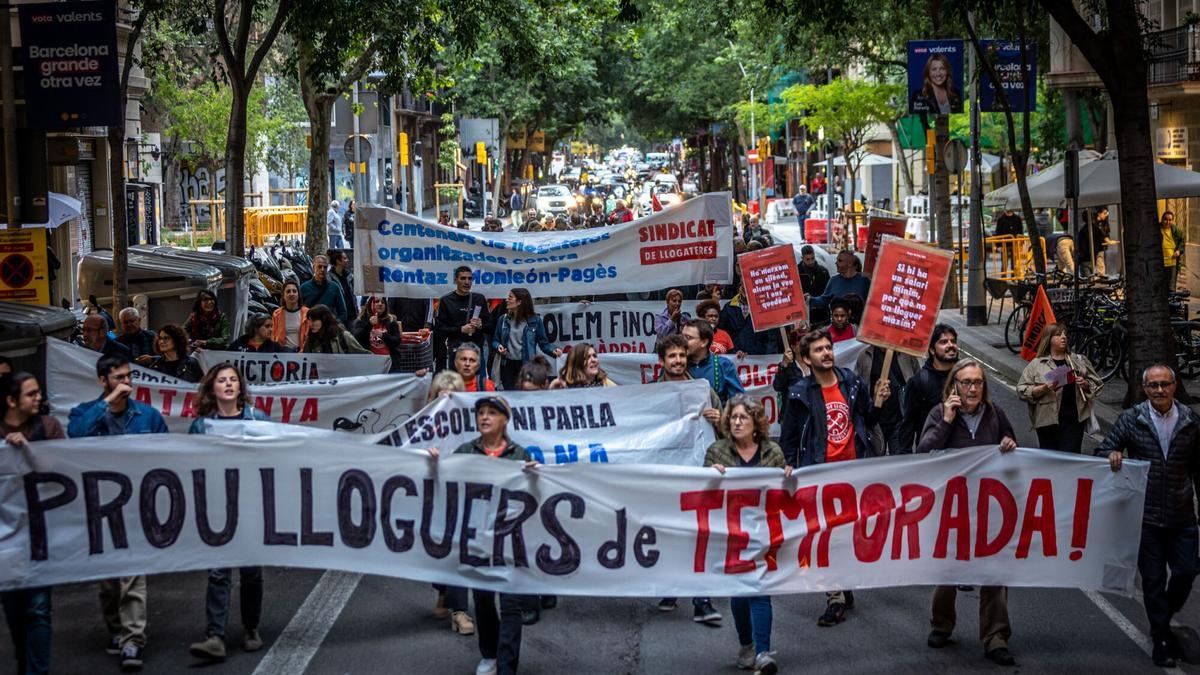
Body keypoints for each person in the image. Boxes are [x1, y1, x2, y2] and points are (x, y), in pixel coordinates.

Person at [779, 329, 890, 627]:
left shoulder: (851, 382)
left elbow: (868, 419)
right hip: (820, 474)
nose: (826, 353)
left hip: (854, 473)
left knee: (848, 533)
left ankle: (842, 582)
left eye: (828, 348)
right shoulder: (800, 392)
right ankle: (834, 596)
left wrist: (878, 402)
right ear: (806, 358)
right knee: (824, 536)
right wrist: (789, 464)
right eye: (819, 350)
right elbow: (788, 436)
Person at [68, 354, 168, 671]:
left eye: (128, 377)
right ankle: (115, 629)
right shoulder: (85, 414)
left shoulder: (148, 417)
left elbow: (170, 455)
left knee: (132, 578)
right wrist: (106, 404)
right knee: (108, 582)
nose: (126, 383)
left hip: (138, 507)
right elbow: (76, 435)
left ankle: (132, 641)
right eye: (118, 378)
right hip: (101, 508)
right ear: (103, 381)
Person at [426, 396, 538, 675]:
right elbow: (446, 482)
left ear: (504, 419)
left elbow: (534, 497)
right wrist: (434, 463)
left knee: (511, 605)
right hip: (477, 541)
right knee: (484, 601)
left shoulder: (519, 454)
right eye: (481, 413)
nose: (485, 417)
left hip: (510, 542)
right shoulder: (466, 451)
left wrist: (535, 476)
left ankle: (506, 668)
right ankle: (489, 653)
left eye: (492, 413)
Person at [1098, 363, 1200, 667]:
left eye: (1164, 384)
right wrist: (1111, 455)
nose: (1159, 390)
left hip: (1183, 516)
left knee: (1185, 571)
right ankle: (1162, 641)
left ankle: (1162, 620)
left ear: (1174, 385)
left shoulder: (1191, 421)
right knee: (1153, 580)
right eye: (1153, 385)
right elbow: (1103, 450)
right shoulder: (1133, 419)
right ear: (1145, 389)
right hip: (1146, 516)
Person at [917, 359, 1017, 667]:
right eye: (965, 382)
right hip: (952, 507)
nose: (972, 388)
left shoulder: (995, 414)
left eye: (977, 382)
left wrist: (1008, 442)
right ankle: (941, 625)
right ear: (954, 387)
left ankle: (995, 637)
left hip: (989, 508)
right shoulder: (938, 413)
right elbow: (924, 453)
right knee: (948, 572)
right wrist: (947, 420)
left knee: (995, 574)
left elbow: (1012, 444)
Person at [186, 364, 270, 663]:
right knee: (219, 571)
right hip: (217, 506)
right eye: (222, 380)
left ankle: (251, 628)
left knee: (250, 572)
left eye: (233, 379)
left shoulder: (257, 419)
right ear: (212, 388)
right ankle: (215, 636)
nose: (229, 384)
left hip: (250, 505)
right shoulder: (201, 426)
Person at [705, 395, 791, 674]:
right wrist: (709, 476)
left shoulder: (772, 453)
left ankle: (763, 651)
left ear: (756, 423)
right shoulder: (717, 452)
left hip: (762, 532)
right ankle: (746, 644)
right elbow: (700, 494)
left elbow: (784, 495)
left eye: (743, 417)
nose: (737, 421)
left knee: (760, 590)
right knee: (739, 593)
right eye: (733, 417)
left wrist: (788, 476)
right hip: (729, 533)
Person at [2, 372, 64, 675]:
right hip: (5, 539)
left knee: (39, 609)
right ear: (11, 401)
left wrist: (28, 449)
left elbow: (63, 471)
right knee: (14, 611)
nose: (38, 398)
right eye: (31, 394)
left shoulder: (49, 427)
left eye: (38, 392)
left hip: (41, 534)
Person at [1016, 323, 1103, 453]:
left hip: (1073, 421)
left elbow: (1097, 384)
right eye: (1058, 335)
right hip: (1047, 422)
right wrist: (1043, 388)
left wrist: (1084, 384)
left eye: (1065, 334)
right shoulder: (1037, 364)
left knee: (1070, 458)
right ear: (1049, 339)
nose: (1063, 337)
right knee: (1050, 461)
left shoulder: (1077, 360)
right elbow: (1021, 390)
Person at [898, 324, 958, 454]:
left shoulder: (966, 377)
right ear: (931, 350)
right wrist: (905, 458)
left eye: (953, 341)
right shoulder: (919, 382)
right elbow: (908, 424)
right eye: (943, 342)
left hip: (961, 454)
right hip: (930, 454)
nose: (950, 345)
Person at [854, 345, 920, 456]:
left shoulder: (906, 354)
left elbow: (918, 379)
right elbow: (857, 388)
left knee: (899, 462)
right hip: (875, 423)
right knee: (876, 463)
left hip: (899, 420)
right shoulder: (865, 356)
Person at [492, 288, 561, 390]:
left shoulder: (535, 321)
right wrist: (498, 347)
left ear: (520, 302)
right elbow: (495, 341)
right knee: (511, 395)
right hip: (507, 366)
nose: (507, 300)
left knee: (526, 395)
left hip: (527, 366)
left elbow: (544, 343)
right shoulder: (503, 319)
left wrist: (553, 350)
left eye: (510, 297)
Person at [433, 265, 492, 372]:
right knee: (457, 386)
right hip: (456, 352)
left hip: (476, 352)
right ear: (456, 280)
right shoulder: (446, 300)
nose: (467, 282)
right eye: (463, 278)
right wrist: (460, 329)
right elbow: (439, 329)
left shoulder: (479, 299)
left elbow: (490, 326)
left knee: (479, 387)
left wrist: (481, 325)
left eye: (470, 279)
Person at [682, 319, 744, 404]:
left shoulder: (724, 365)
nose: (682, 342)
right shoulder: (675, 364)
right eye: (682, 337)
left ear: (704, 342)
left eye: (688, 338)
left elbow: (738, 400)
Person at [353, 296, 405, 370]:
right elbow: (357, 337)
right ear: (370, 304)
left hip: (388, 364)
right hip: (369, 364)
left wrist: (384, 336)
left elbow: (397, 340)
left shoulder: (391, 320)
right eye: (377, 301)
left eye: (383, 302)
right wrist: (369, 325)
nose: (380, 304)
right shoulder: (361, 320)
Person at [300, 255, 349, 325]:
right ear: (313, 268)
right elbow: (299, 311)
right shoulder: (304, 288)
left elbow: (343, 312)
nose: (322, 269)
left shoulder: (334, 287)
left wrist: (336, 325)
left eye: (325, 267)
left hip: (329, 329)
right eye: (319, 267)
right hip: (311, 328)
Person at [302, 305, 369, 354]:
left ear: (324, 320)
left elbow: (364, 354)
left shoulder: (343, 336)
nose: (310, 324)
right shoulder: (311, 339)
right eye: (309, 320)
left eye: (313, 321)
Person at [272, 280, 310, 351]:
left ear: (298, 295)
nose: (291, 294)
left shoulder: (307, 313)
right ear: (283, 295)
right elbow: (273, 337)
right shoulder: (277, 314)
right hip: (283, 353)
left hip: (303, 353)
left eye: (294, 291)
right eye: (288, 291)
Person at [327, 249, 358, 320]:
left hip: (352, 314)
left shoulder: (349, 275)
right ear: (338, 261)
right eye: (344, 258)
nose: (347, 260)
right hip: (338, 317)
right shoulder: (329, 278)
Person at [1162, 210, 1184, 290]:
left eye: (1170, 220)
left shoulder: (1176, 231)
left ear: (1172, 221)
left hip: (1172, 264)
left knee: (1171, 287)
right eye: (1165, 219)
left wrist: (1179, 251)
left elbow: (1182, 242)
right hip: (1159, 264)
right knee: (1160, 286)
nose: (1167, 222)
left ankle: (1171, 302)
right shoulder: (1156, 230)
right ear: (1162, 219)